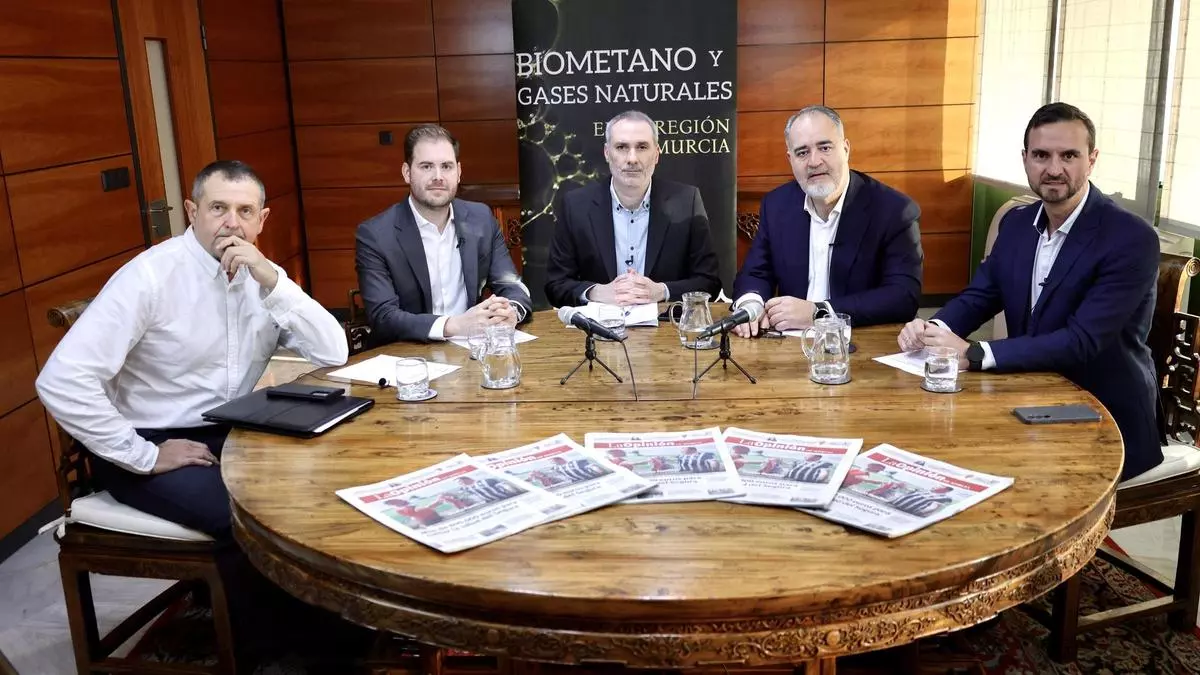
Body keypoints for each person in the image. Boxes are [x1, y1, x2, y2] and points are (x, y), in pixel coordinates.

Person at [35, 160, 353, 661]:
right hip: (146, 444)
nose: (231, 223)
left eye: (244, 211)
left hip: (229, 432)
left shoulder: (262, 277)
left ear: (262, 220)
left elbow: (333, 351)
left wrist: (272, 279)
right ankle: (282, 652)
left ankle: (336, 626)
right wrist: (143, 455)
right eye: (218, 208)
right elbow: (60, 380)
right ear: (192, 211)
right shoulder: (150, 276)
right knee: (250, 517)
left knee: (321, 489)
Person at [897, 102, 1163, 481]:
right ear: (1025, 159)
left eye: (1069, 155)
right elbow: (981, 295)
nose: (1053, 169)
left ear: (1091, 160)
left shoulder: (1130, 237)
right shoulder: (1018, 224)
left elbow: (1082, 341)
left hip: (1104, 420)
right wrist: (932, 330)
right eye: (1041, 155)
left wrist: (974, 352)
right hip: (1027, 398)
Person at [731, 105, 923, 336]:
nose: (814, 161)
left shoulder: (894, 210)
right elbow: (755, 272)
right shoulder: (776, 205)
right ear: (790, 159)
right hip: (790, 342)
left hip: (862, 340)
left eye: (824, 147)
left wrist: (819, 312)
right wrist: (750, 306)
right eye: (802, 152)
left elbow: (903, 296)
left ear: (845, 149)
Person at [356, 124, 533, 343]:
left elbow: (511, 284)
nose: (438, 176)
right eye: (426, 166)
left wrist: (511, 312)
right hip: (407, 352)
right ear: (406, 173)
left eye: (446, 166)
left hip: (472, 349)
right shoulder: (375, 235)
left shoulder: (481, 219)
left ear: (458, 172)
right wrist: (454, 325)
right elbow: (383, 316)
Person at [544, 109, 722, 308]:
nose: (632, 158)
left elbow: (709, 282)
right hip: (599, 324)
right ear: (607, 153)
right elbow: (555, 285)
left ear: (656, 154)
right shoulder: (575, 206)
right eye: (621, 147)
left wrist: (661, 291)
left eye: (642, 147)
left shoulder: (687, 202)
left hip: (665, 324)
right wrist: (596, 292)